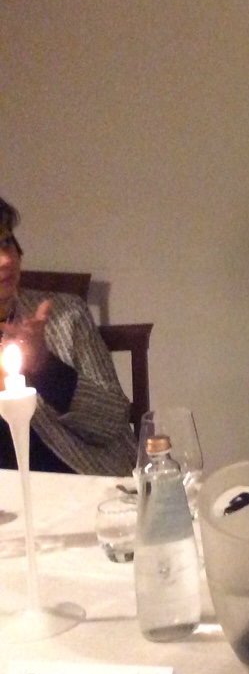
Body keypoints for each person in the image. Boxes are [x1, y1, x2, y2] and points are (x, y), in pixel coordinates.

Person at [0, 198, 135, 476]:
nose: (6, 260)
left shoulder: (66, 315)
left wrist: (45, 368)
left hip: (79, 486)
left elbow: (111, 422)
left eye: (6, 242)